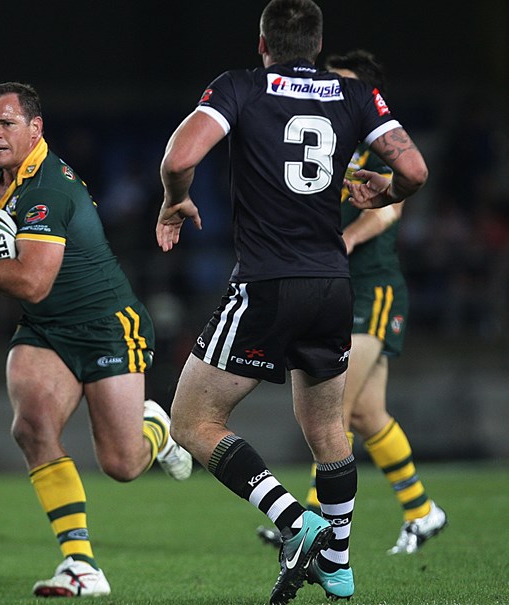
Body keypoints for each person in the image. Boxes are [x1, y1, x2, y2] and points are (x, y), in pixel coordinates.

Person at [155, 1, 428, 603]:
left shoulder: (241, 87)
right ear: (317, 42)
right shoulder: (354, 97)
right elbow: (414, 169)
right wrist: (390, 189)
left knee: (192, 423)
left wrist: (175, 199)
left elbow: (179, 157)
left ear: (262, 43)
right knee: (328, 429)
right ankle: (339, 566)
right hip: (332, 285)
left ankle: (294, 521)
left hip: (266, 283)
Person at [0, 82, 192, 598]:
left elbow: (27, 278)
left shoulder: (48, 189)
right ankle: (81, 564)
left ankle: (157, 430)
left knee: (122, 465)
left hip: (106, 323)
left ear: (35, 128)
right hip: (46, 329)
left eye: (6, 123)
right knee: (31, 425)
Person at [256, 49, 447, 556]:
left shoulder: (382, 142)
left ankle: (311, 526)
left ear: (366, 91)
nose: (327, 88)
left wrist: (346, 239)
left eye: (339, 81)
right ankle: (423, 511)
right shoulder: (332, 136)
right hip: (338, 285)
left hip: (372, 287)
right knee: (365, 414)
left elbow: (389, 213)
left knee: (332, 410)